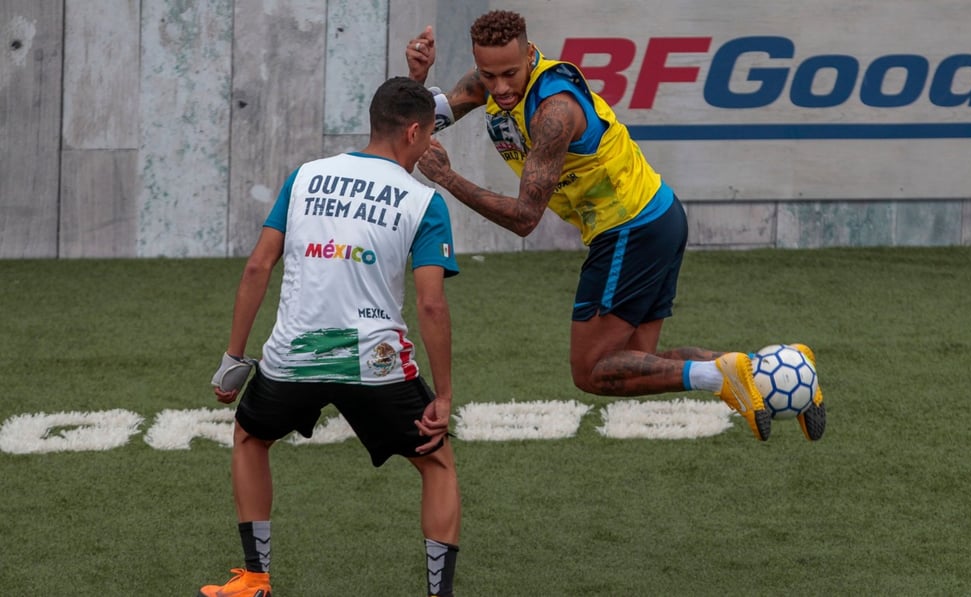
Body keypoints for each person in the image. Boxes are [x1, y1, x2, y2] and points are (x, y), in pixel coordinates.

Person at [405, 10, 825, 442]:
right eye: (490, 76)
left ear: (530, 54)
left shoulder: (554, 112)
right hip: (658, 216)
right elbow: (412, 124)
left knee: (591, 370)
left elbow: (524, 219)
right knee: (633, 364)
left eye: (510, 73)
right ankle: (777, 370)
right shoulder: (486, 84)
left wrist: (447, 177)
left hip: (630, 227)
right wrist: (417, 78)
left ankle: (721, 377)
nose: (501, 88)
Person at [199, 77, 462, 597]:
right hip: (377, 362)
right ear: (413, 132)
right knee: (436, 463)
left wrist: (234, 356)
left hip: (293, 357)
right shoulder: (424, 201)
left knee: (251, 438)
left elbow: (258, 267)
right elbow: (431, 303)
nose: (432, 146)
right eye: (431, 136)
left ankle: (254, 578)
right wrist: (445, 394)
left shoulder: (304, 177)